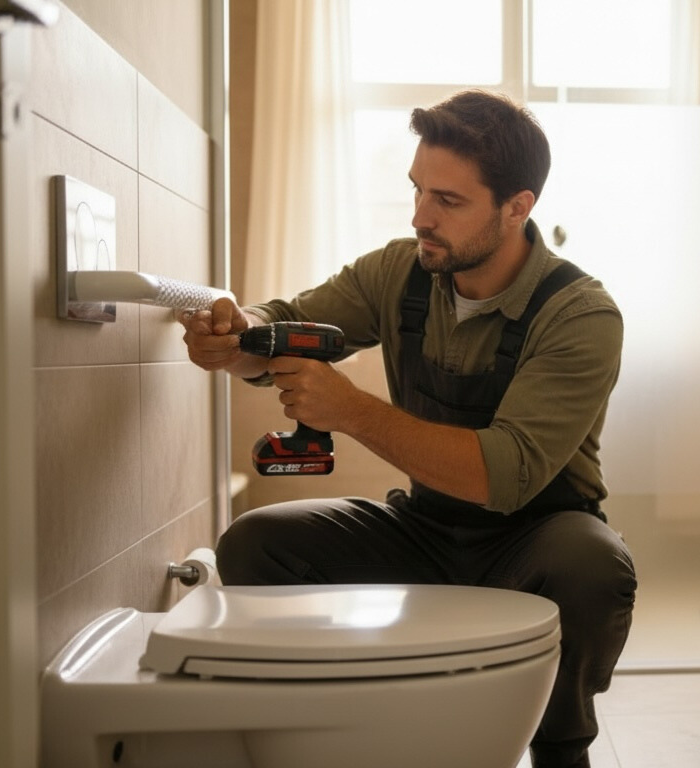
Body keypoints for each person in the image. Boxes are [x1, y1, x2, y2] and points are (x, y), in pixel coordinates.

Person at [178, 89, 637, 768]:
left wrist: (353, 410)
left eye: (447, 201)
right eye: (417, 190)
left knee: (592, 564)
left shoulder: (581, 314)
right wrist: (233, 336)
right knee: (255, 545)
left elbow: (501, 474)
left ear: (518, 207)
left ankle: (559, 746)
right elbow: (287, 322)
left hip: (534, 535)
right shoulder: (401, 270)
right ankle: (334, 729)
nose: (422, 216)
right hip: (425, 528)